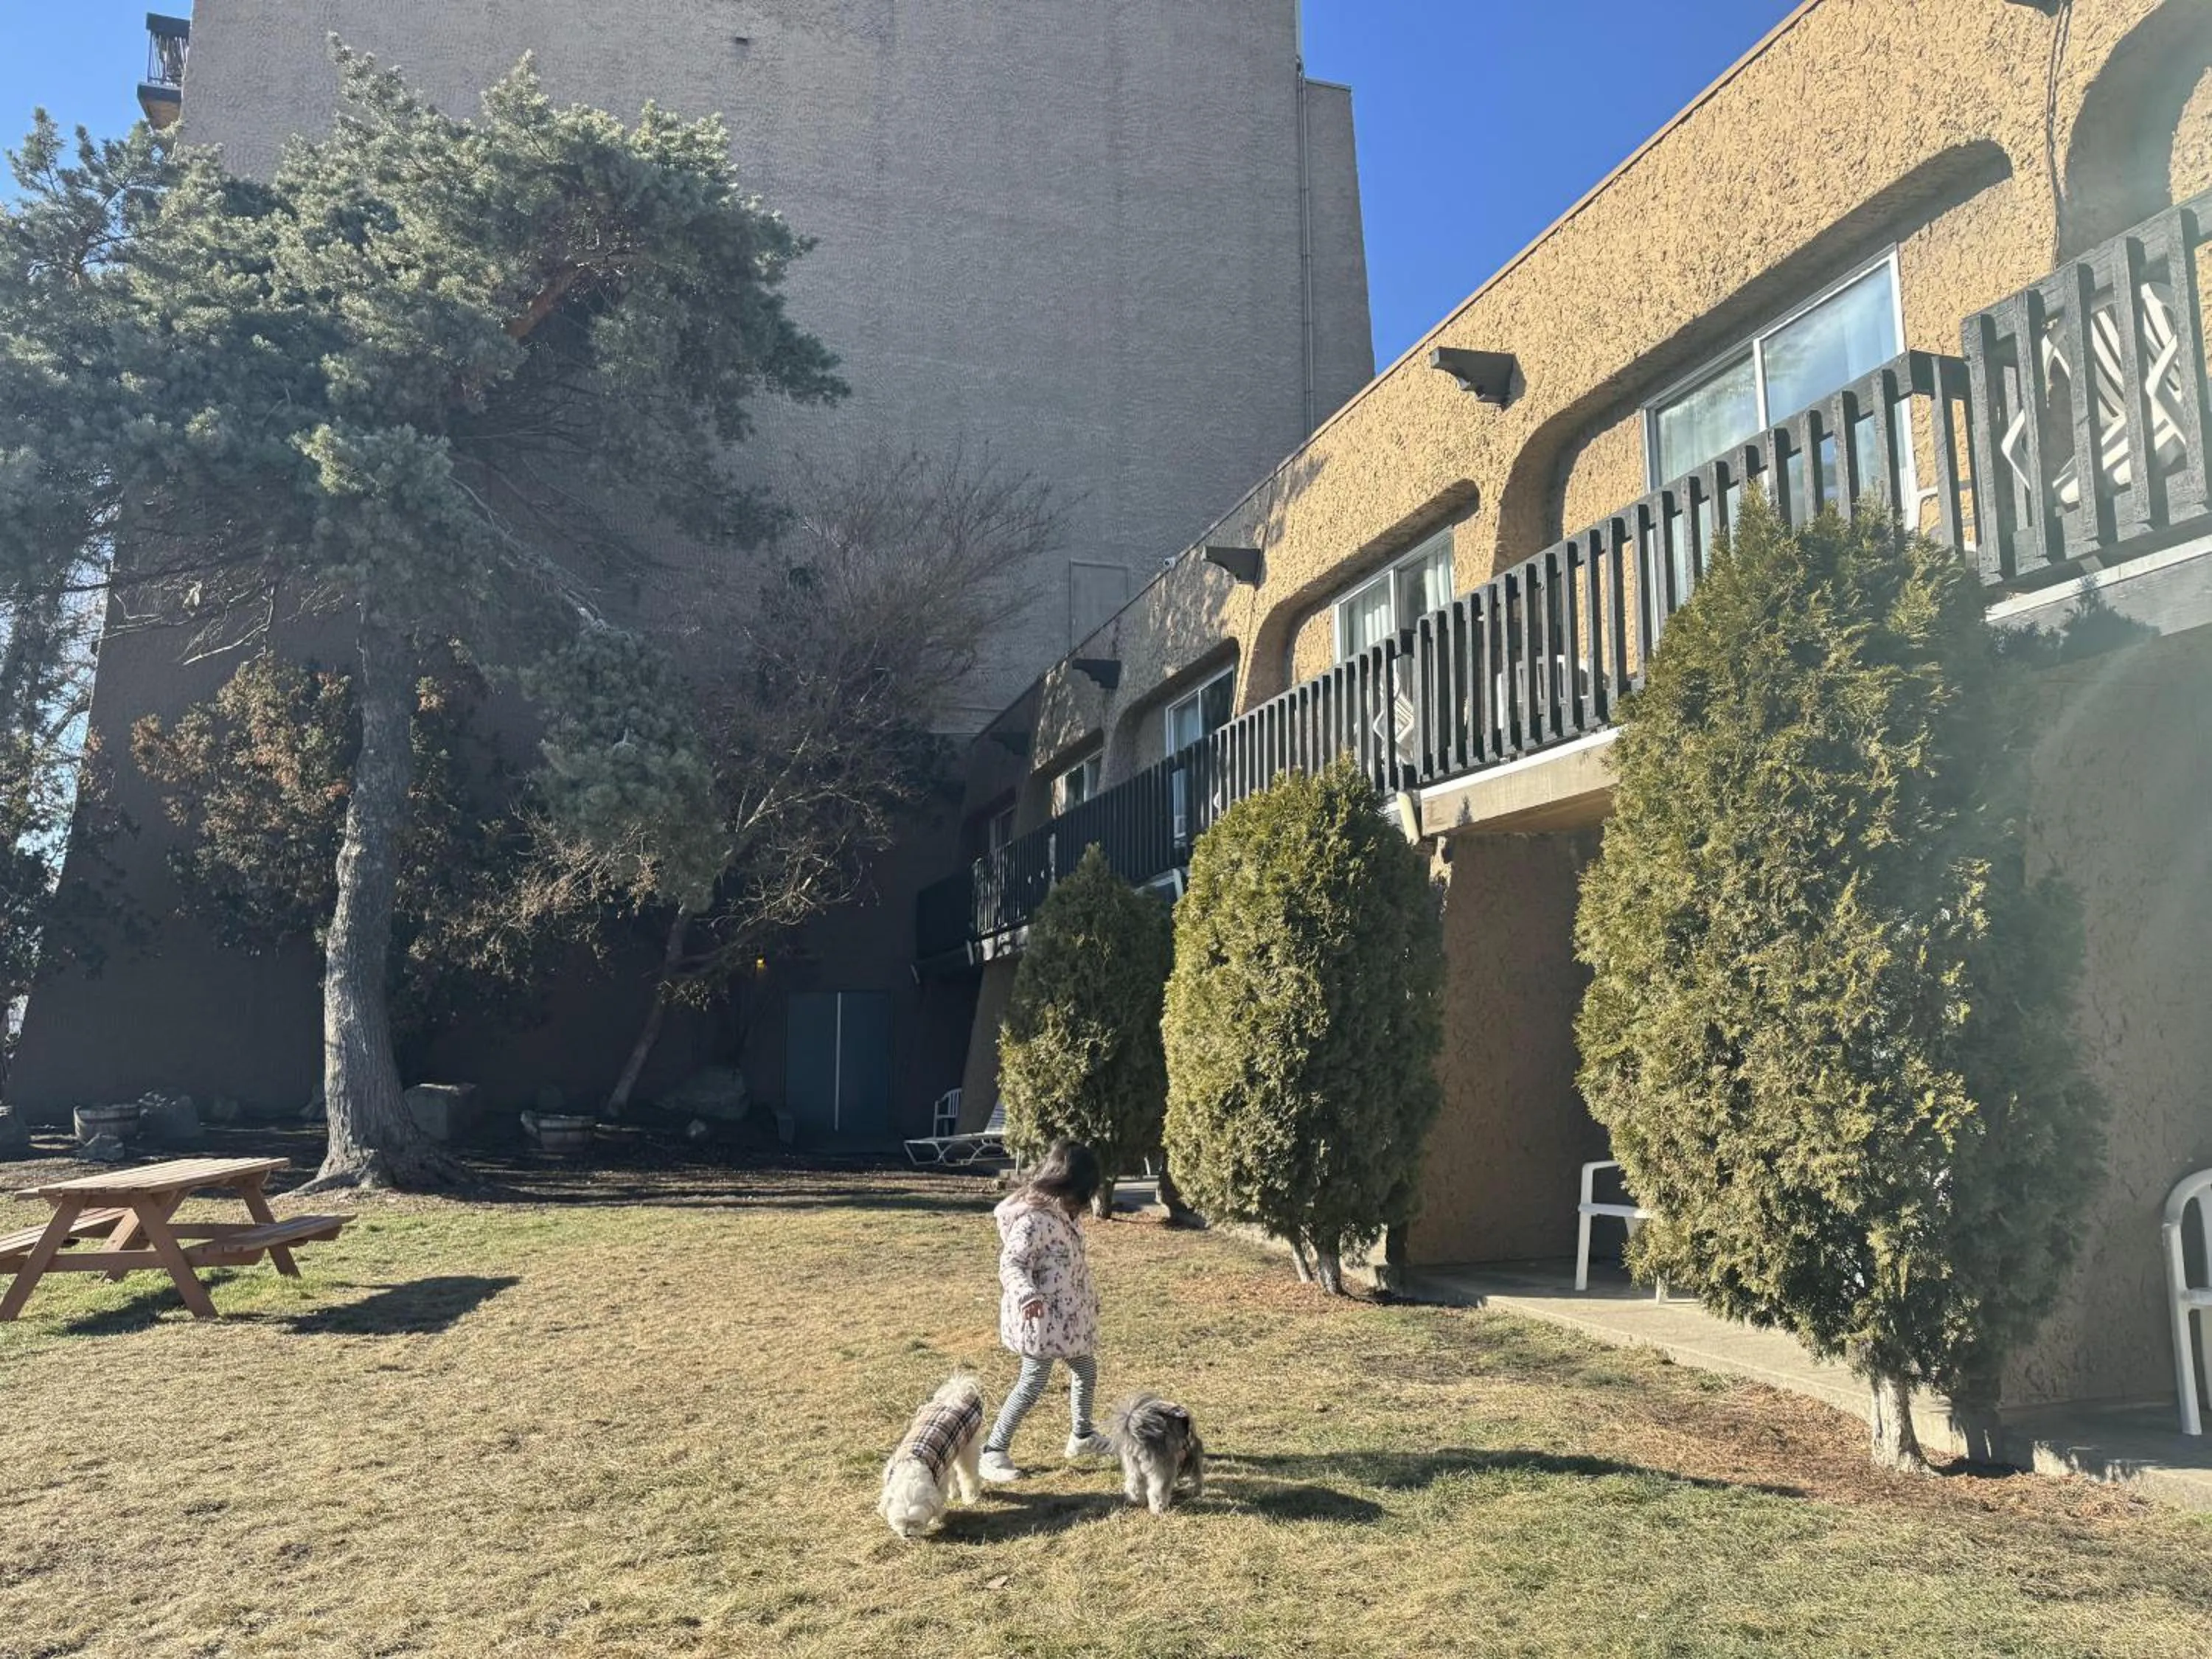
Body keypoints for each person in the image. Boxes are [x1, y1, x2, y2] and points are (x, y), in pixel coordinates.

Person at [978, 1138, 1112, 1481]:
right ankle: (993, 1452)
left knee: (1086, 1368)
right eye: (1082, 1194)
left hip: (1066, 1321)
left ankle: (1081, 1436)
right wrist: (1026, 1296)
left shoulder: (1064, 1215)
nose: (1083, 1204)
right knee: (1032, 1382)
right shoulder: (1033, 1220)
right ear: (1065, 1186)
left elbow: (1071, 1266)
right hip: (1038, 1320)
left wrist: (1088, 1299)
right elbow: (1011, 1264)